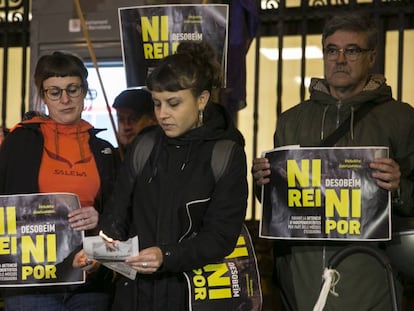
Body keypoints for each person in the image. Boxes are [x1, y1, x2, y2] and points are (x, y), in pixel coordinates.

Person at [251, 12, 414, 311]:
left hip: (371, 279)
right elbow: (279, 207)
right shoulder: (291, 120)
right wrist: (263, 182)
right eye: (332, 50)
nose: (340, 59)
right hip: (301, 280)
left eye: (352, 50)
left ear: (371, 57)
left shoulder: (402, 119)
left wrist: (399, 186)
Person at [74, 41, 248, 310]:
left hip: (192, 294)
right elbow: (117, 216)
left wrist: (166, 255)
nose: (163, 114)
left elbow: (221, 236)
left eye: (173, 103)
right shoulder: (144, 145)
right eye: (156, 104)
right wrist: (97, 252)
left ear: (202, 99)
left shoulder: (226, 153)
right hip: (134, 296)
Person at [0, 51, 119, 311]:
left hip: (89, 282)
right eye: (54, 92)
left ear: (85, 91)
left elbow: (122, 215)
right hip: (31, 284)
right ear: (43, 96)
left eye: (72, 89)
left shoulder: (104, 150)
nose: (65, 99)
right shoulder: (19, 142)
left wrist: (99, 217)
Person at [112, 88, 157, 153]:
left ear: (153, 119)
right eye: (121, 119)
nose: (126, 127)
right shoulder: (110, 158)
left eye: (134, 119)